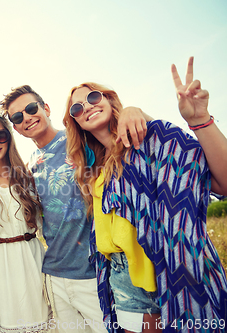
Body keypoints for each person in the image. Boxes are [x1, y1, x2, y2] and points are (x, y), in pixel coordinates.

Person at [62, 57, 227, 333]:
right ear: (76, 123)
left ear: (109, 99)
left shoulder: (150, 139)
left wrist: (199, 120)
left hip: (172, 271)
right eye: (77, 108)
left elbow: (222, 184)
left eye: (93, 97)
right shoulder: (95, 171)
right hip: (123, 278)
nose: (87, 106)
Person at [0, 85, 150, 333]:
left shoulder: (81, 139)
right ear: (15, 127)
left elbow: (117, 134)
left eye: (30, 108)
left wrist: (133, 112)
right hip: (54, 275)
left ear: (46, 108)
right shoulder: (31, 165)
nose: (26, 117)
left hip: (94, 272)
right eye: (18, 117)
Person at [0, 112, 51, 332]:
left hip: (33, 259)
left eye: (0, 135)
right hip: (0, 264)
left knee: (43, 320)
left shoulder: (29, 176)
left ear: (9, 136)